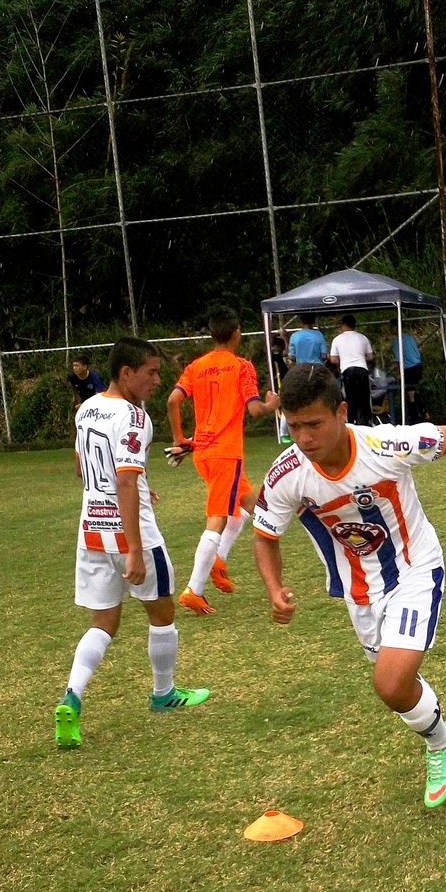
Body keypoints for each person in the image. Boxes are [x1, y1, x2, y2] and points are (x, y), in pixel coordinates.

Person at [251, 363, 446, 808]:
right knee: (397, 686)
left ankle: (440, 745)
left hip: (415, 567)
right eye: (294, 425)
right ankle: (444, 733)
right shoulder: (287, 473)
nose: (304, 437)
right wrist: (273, 587)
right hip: (359, 590)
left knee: (388, 682)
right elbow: (265, 536)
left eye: (314, 424)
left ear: (342, 411)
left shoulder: (386, 446)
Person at [54, 336, 210, 750]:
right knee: (162, 611)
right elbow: (123, 478)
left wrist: (141, 484)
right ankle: (164, 694)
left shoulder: (86, 408)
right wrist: (136, 549)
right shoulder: (136, 417)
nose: (159, 380)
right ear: (127, 373)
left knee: (103, 623)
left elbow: (81, 469)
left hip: (91, 530)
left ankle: (71, 696)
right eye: (152, 372)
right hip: (131, 533)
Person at [167, 305, 280, 614]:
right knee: (217, 518)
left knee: (250, 508)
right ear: (237, 333)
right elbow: (255, 409)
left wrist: (180, 438)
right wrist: (272, 404)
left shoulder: (196, 366)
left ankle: (218, 560)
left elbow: (173, 400)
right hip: (225, 452)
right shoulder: (241, 366)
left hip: (203, 452)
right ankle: (194, 589)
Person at [329, 314, 375, 426]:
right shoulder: (362, 337)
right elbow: (370, 356)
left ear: (343, 325)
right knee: (364, 398)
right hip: (362, 369)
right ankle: (364, 422)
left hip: (347, 370)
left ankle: (351, 422)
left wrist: (342, 358)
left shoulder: (337, 339)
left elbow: (333, 359)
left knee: (350, 398)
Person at [389, 320, 425, 424]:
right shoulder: (410, 338)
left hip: (410, 369)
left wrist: (396, 372)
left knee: (410, 395)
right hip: (418, 366)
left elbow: (398, 359)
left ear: (396, 327)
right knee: (414, 391)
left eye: (392, 327)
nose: (391, 329)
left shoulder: (397, 340)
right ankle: (423, 412)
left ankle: (414, 419)